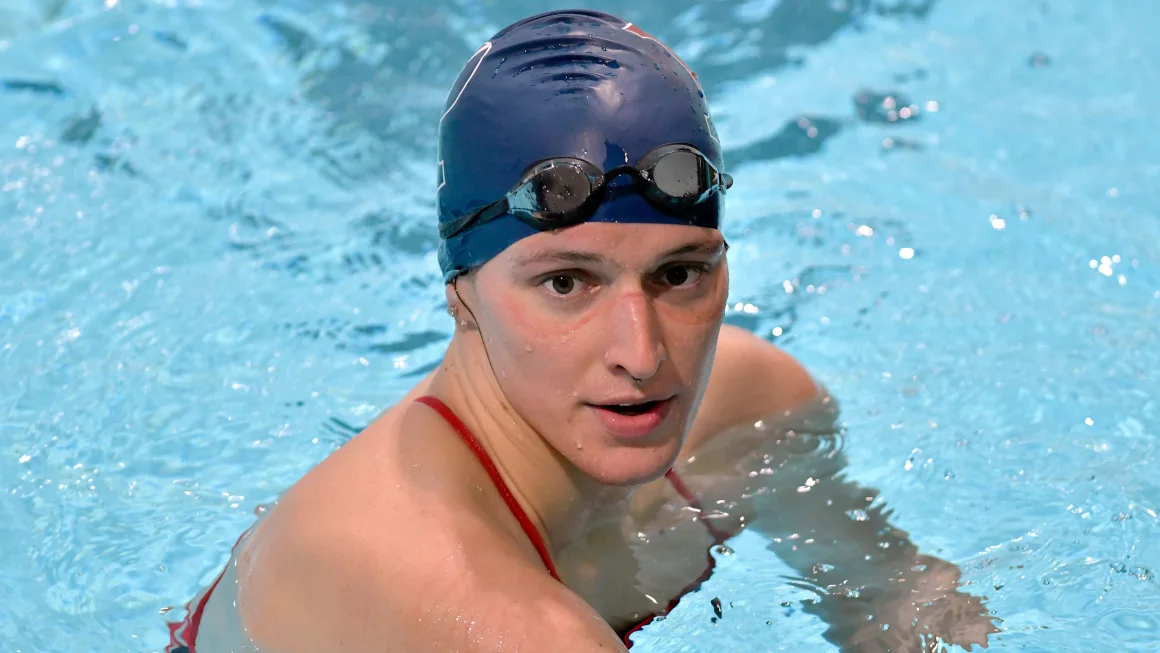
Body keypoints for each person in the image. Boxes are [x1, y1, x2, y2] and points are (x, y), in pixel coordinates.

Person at [167, 10, 997, 653]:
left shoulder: (757, 406)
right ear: (461, 295)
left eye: (680, 273)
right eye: (566, 282)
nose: (641, 356)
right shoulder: (467, 601)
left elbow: (903, 600)